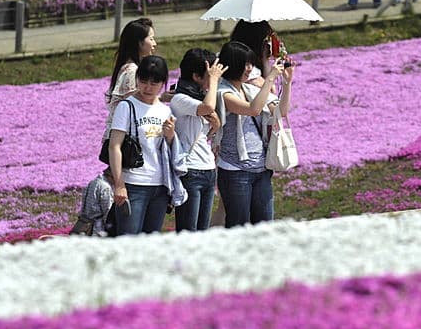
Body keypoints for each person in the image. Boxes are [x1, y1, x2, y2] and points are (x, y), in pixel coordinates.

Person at [215, 40, 293, 228]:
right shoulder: (223, 93)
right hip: (235, 170)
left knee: (265, 226)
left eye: (251, 63)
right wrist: (270, 79)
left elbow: (280, 112)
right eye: (245, 64)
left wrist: (287, 83)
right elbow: (253, 109)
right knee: (239, 226)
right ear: (232, 65)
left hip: (261, 168)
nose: (250, 69)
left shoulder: (249, 89)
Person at [109, 55, 185, 235]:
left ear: (163, 83)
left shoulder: (165, 110)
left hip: (160, 186)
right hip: (133, 184)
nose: (148, 87)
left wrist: (170, 135)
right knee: (129, 241)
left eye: (154, 83)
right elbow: (114, 146)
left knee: (151, 242)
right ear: (137, 79)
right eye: (143, 81)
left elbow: (167, 149)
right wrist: (119, 184)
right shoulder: (127, 107)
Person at [170, 48, 226, 232]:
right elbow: (208, 106)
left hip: (208, 170)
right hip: (190, 171)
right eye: (209, 74)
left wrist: (215, 124)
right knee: (189, 232)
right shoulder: (180, 99)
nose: (213, 78)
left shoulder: (199, 97)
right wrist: (215, 81)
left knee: (203, 232)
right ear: (196, 76)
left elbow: (207, 131)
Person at [103, 18, 157, 144]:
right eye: (151, 39)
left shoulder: (128, 67)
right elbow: (135, 106)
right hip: (126, 141)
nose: (155, 43)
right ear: (139, 43)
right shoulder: (132, 71)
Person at [72, 169, 115, 236]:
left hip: (84, 222)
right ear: (111, 176)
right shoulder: (106, 187)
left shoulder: (93, 182)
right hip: (96, 226)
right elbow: (107, 211)